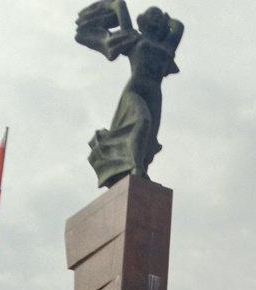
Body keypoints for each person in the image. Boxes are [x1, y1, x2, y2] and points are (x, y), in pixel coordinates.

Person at [75, 0, 184, 187]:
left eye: (159, 15)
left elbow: (178, 26)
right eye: (152, 13)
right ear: (142, 20)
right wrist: (116, 5)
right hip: (135, 90)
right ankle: (136, 168)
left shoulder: (167, 46)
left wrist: (166, 21)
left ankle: (139, 171)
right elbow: (119, 5)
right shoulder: (133, 37)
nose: (157, 17)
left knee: (148, 141)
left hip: (155, 95)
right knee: (142, 121)